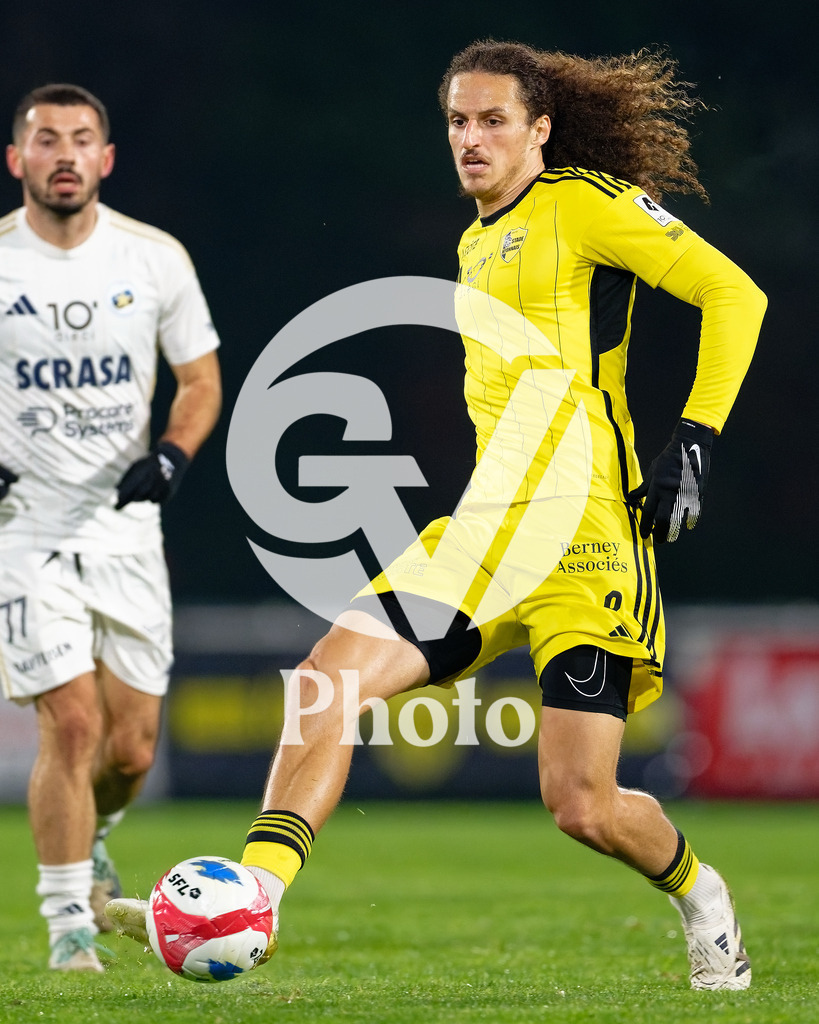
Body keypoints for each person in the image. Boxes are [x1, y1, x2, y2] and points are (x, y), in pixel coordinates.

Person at [109, 41, 765, 990]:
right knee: (324, 683)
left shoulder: (584, 204)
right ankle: (254, 895)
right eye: (458, 120)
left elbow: (731, 294)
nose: (470, 138)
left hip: (588, 545)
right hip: (481, 535)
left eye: (492, 119)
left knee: (580, 804)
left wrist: (694, 438)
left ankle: (702, 897)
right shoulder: (472, 240)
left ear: (538, 129)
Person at [0, 84, 221, 973]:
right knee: (74, 723)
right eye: (45, 139)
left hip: (125, 533)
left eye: (80, 139)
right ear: (17, 161)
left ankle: (95, 832)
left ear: (106, 160)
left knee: (130, 750)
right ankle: (68, 928)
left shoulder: (152, 257)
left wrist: (170, 455)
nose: (64, 154)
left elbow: (200, 379)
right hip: (23, 534)